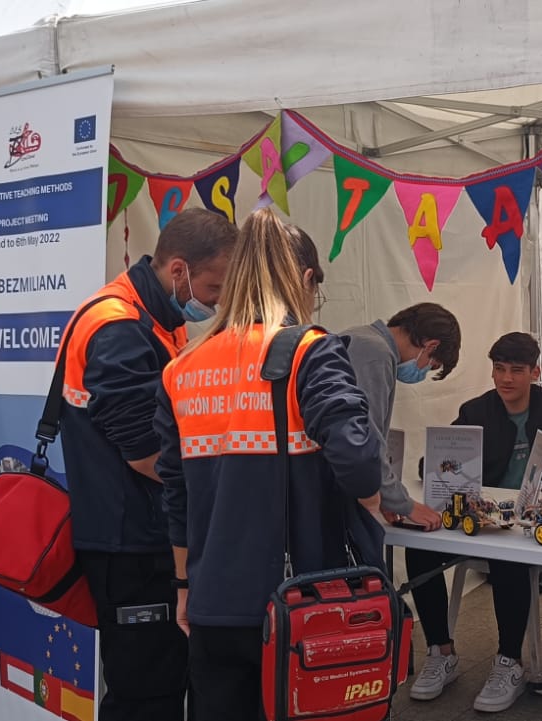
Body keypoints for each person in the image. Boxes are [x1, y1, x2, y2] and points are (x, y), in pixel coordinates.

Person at [155, 208, 383, 720]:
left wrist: (185, 588)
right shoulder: (309, 351)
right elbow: (358, 460)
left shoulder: (182, 367)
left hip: (213, 602)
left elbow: (175, 493)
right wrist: (368, 503)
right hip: (301, 600)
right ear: (305, 280)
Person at [56, 207, 236, 721]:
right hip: (131, 541)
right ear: (178, 270)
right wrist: (223, 489)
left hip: (143, 531)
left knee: (165, 676)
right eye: (214, 287)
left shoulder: (150, 319)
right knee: (146, 691)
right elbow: (147, 455)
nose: (216, 301)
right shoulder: (118, 328)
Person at [405, 332, 542, 713]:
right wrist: (442, 465)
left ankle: (510, 662)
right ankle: (441, 651)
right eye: (499, 369)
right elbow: (433, 463)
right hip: (486, 518)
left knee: (508, 559)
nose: (505, 378)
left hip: (537, 521)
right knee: (419, 549)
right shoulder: (476, 411)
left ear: (535, 372)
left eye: (516, 370)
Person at [340, 303, 462, 531]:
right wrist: (404, 504)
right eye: (431, 366)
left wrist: (385, 496)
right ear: (431, 346)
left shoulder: (360, 337)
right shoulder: (376, 354)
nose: (423, 373)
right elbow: (366, 439)